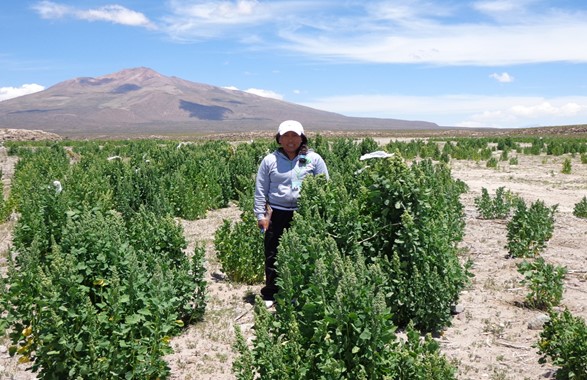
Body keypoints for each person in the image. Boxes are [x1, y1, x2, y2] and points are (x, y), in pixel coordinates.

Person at [254, 120, 329, 307]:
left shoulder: (314, 159)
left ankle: (299, 292)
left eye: (294, 135)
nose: (290, 140)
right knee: (273, 254)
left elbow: (325, 186)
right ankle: (271, 294)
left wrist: (321, 213)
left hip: (304, 213)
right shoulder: (269, 160)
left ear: (302, 138)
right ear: (278, 139)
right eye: (286, 135)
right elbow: (260, 190)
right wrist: (260, 216)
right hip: (276, 213)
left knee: (303, 252)